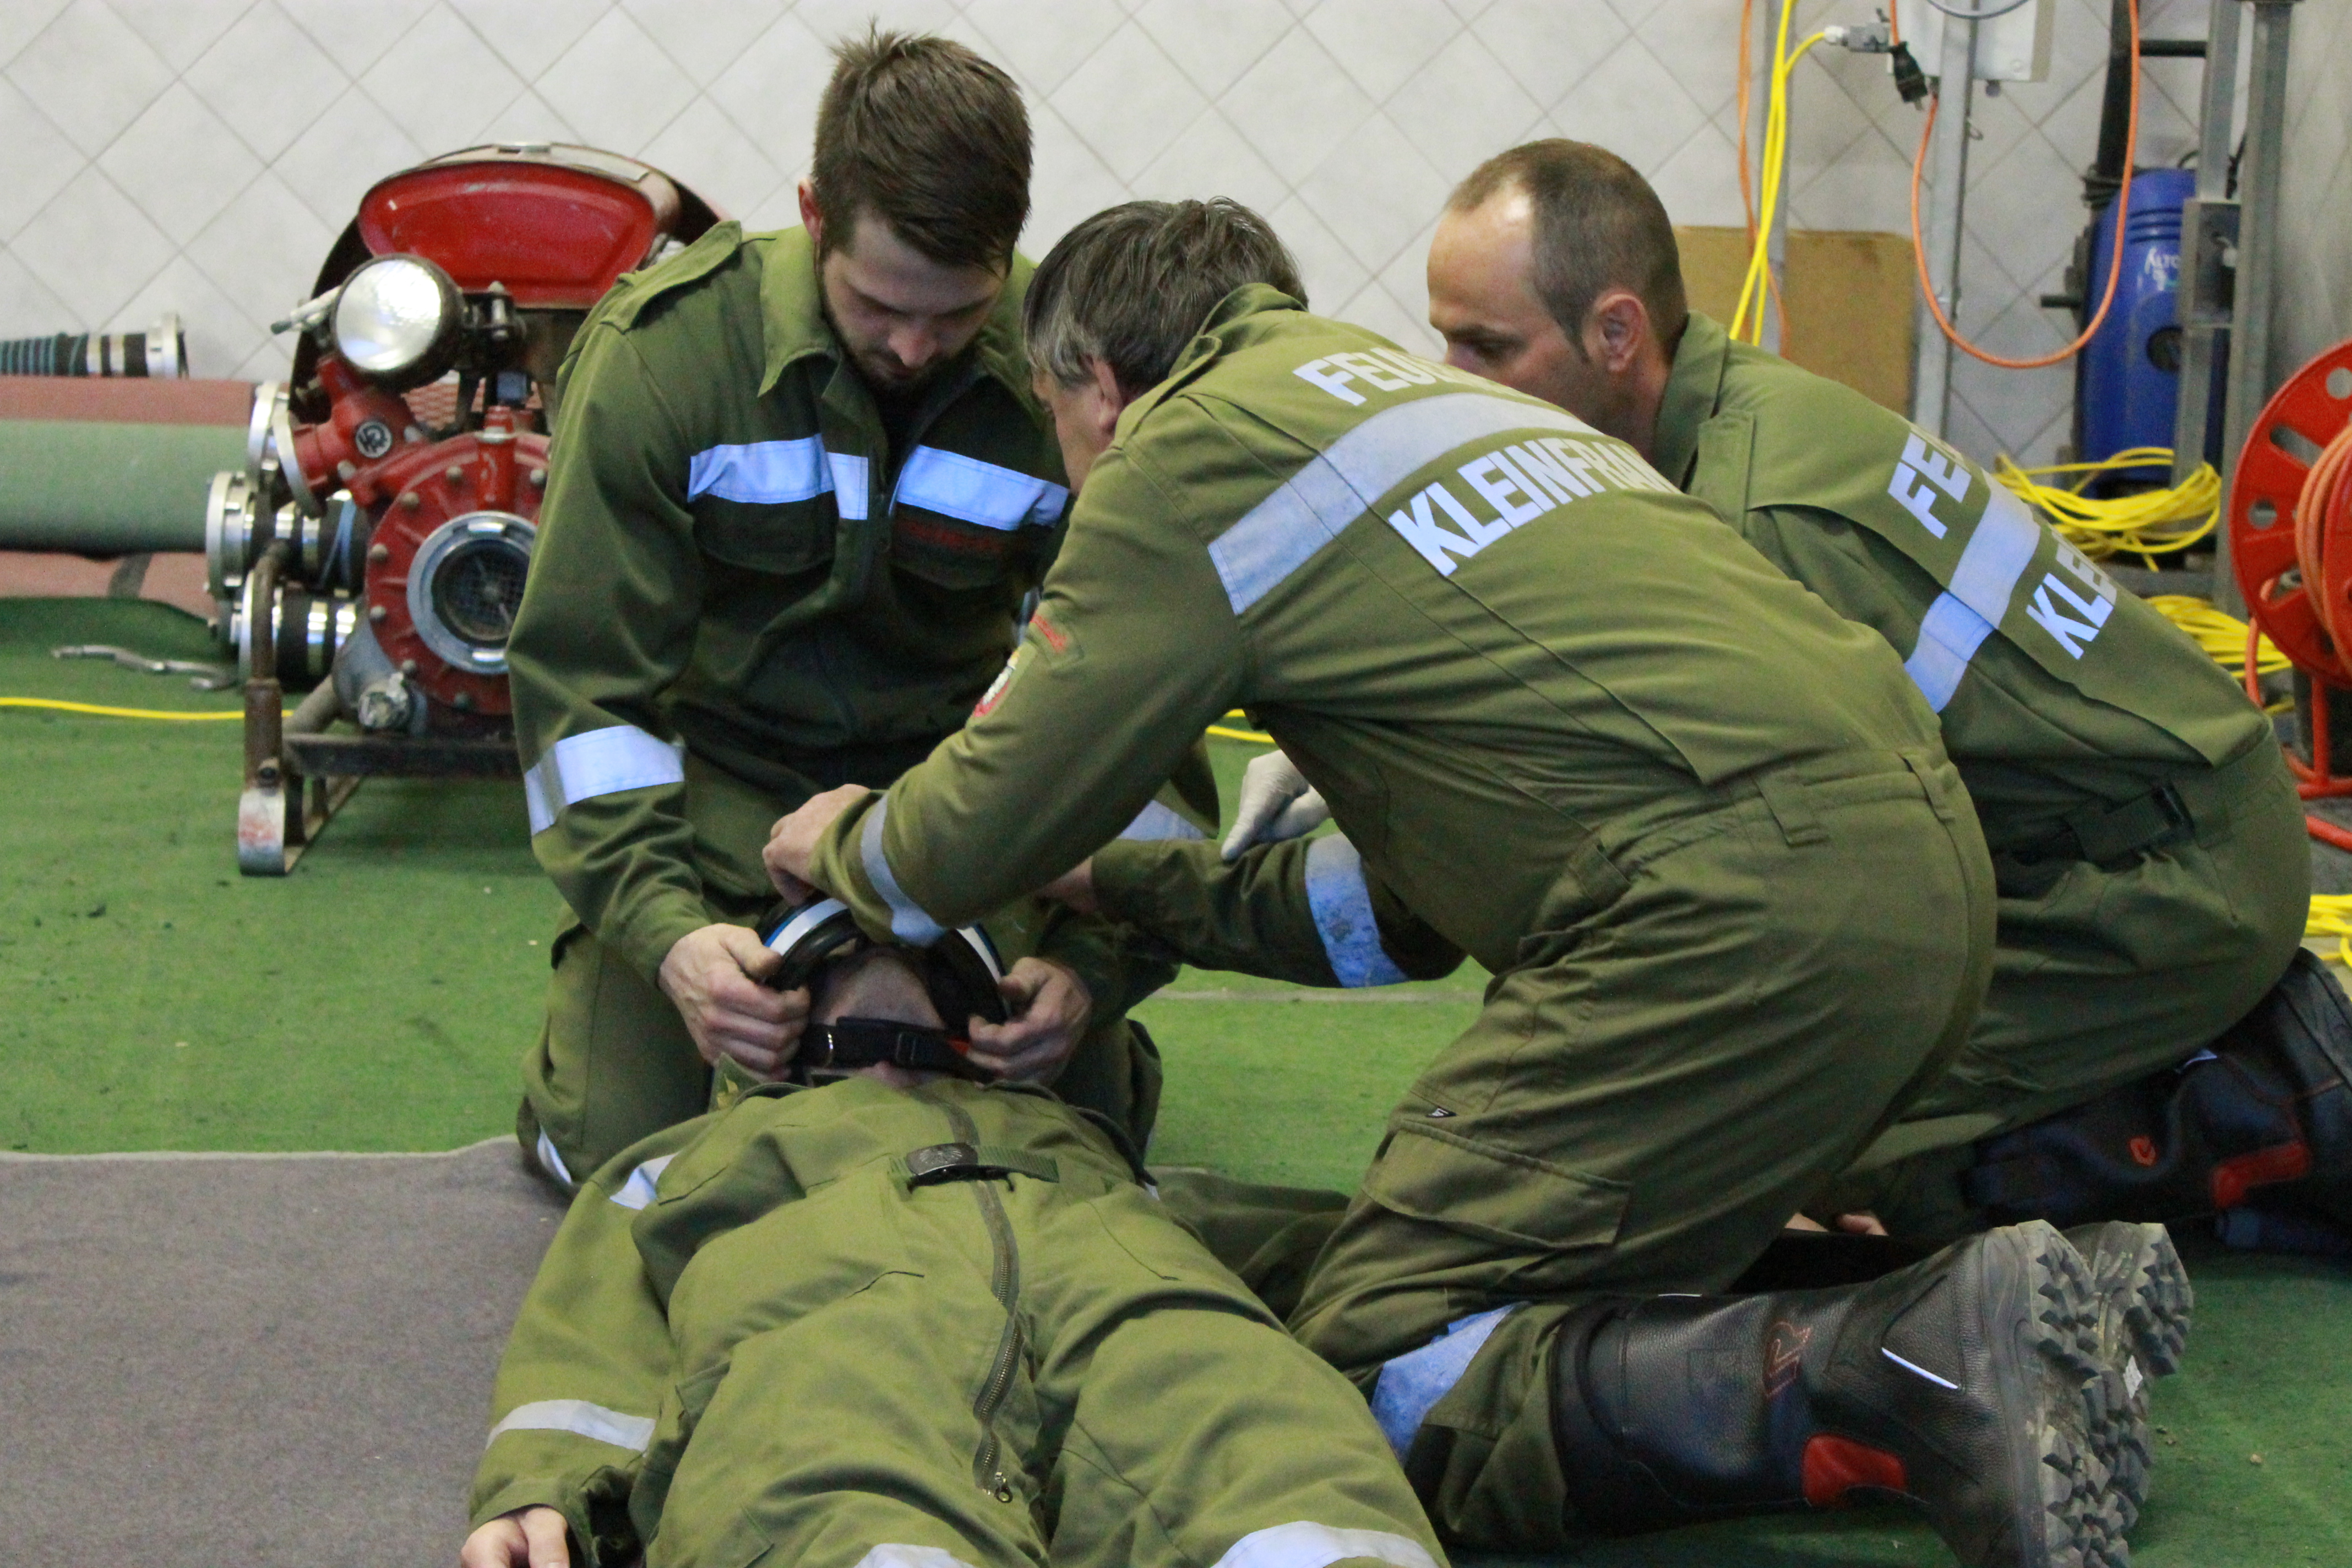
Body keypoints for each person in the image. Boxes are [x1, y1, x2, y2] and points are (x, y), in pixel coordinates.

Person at [760, 197, 2165, 1567]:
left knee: (1380, 1355)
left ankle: (1908, 1357)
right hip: (1922, 885)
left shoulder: (1180, 456)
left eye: (1055, 418)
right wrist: (1114, 884)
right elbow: (1390, 919)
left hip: (1733, 917)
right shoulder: (1428, 406)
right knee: (1562, 1266)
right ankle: (1989, 1310)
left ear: (1101, 387)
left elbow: (963, 834)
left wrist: (842, 846)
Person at [1393, 138, 2338, 1244]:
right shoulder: (1731, 420)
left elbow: (1803, 872)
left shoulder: (1754, 518)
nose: (1452, 380)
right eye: (1446, 340)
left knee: (1751, 1154)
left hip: (2173, 882)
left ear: (1615, 335)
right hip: (2101, 834)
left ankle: (2281, 1110)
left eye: (1488, 346)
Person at [505, 29, 1205, 1188]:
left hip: (966, 810)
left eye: (961, 311)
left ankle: (1079, 1051)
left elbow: (1140, 704)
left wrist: (1090, 973)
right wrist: (669, 938)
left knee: (1069, 1146)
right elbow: (583, 696)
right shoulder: (664, 361)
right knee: (620, 1156)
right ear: (813, 215)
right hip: (720, 804)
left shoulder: (1077, 384)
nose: (916, 346)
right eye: (880, 304)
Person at [460, 933, 1447, 1568]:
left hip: (1134, 1295)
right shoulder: (693, 1155)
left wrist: (1462, 1251)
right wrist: (542, 1484)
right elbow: (594, 1321)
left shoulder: (1080, 1136)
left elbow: (1299, 1242)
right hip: (836, 1315)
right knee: (830, 1483)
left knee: (1274, 1450)